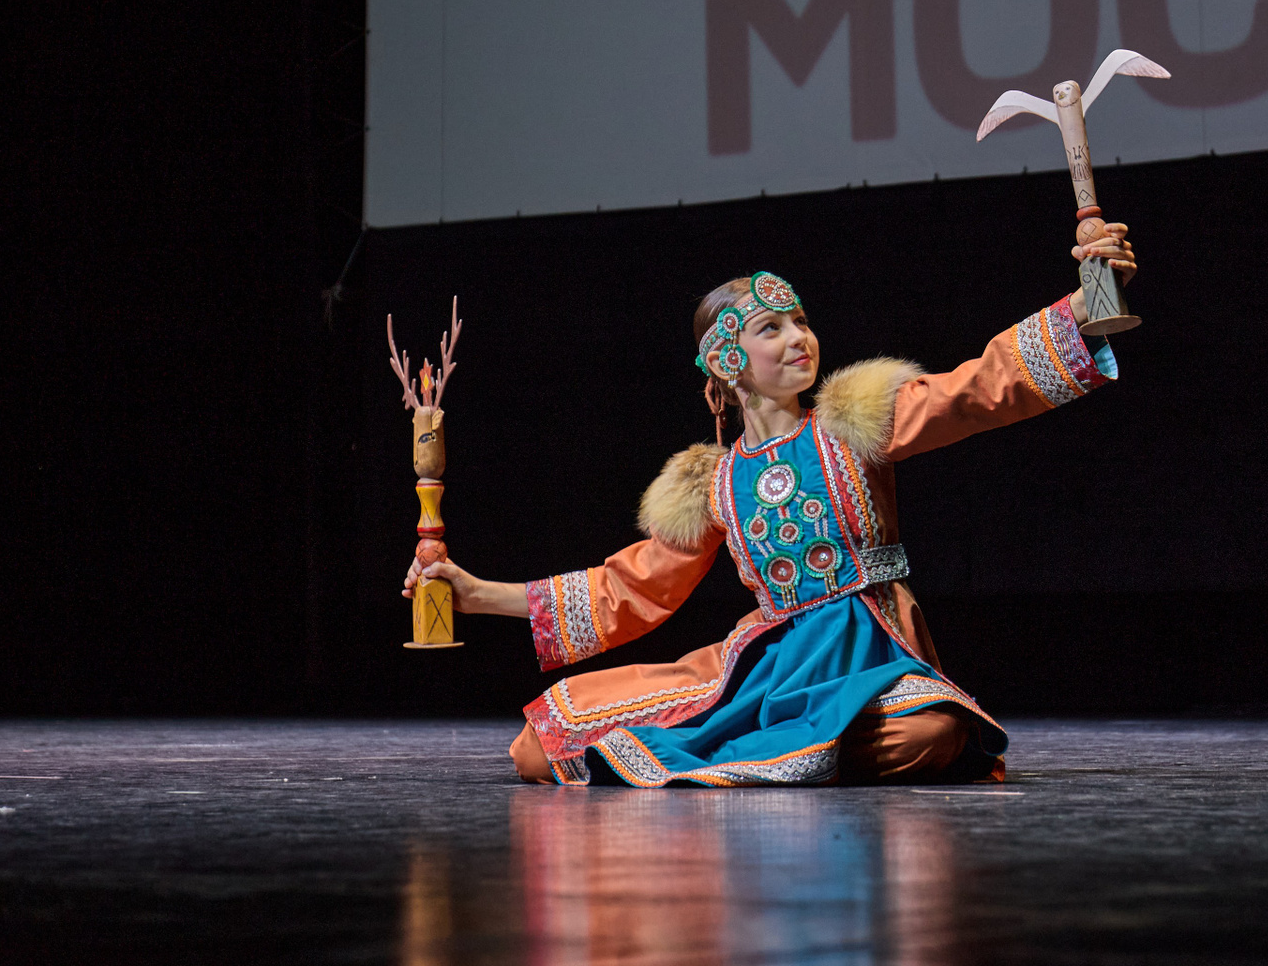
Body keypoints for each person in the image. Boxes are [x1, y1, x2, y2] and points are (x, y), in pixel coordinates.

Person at [405, 207, 1137, 786]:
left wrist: (1083, 305)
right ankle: (771, 749)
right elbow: (629, 588)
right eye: (772, 329)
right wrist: (477, 594)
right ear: (728, 361)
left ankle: (760, 756)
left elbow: (976, 390)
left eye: (802, 321)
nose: (799, 338)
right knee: (539, 747)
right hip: (769, 665)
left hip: (865, 651)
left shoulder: (855, 421)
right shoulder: (715, 482)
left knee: (934, 734)